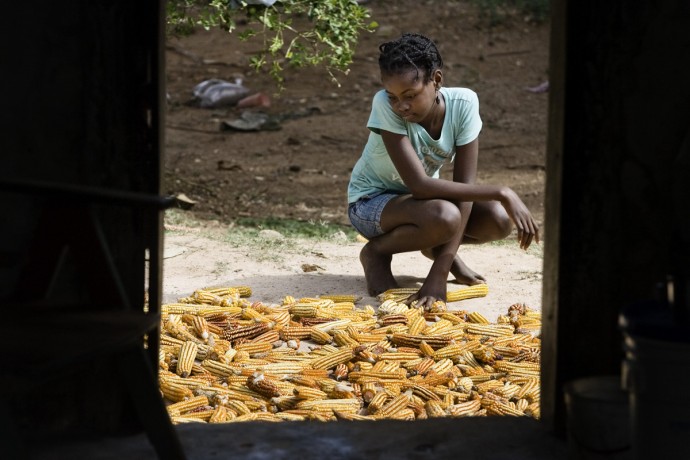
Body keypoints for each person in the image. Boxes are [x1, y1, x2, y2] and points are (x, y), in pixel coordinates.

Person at [347, 32, 540, 309]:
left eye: (410, 95)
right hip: (370, 205)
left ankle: (437, 247)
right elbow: (420, 186)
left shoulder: (464, 105)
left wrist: (441, 268)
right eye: (393, 96)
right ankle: (376, 252)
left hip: (426, 208)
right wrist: (502, 191)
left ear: (436, 80)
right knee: (445, 215)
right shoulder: (384, 107)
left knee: (498, 219)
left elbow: (465, 193)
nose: (401, 105)